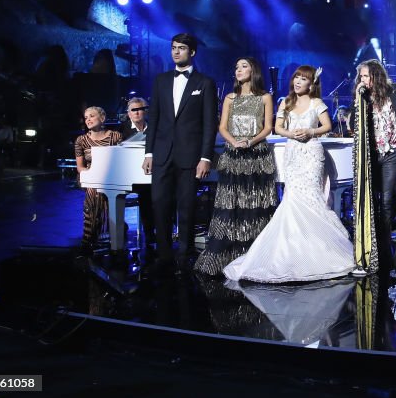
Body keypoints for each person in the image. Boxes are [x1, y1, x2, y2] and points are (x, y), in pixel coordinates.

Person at [224, 66, 355, 283]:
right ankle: (293, 249)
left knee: (313, 199)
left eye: (303, 79)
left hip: (312, 154)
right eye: (296, 78)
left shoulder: (317, 103)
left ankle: (322, 250)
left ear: (311, 84)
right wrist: (291, 133)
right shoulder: (286, 102)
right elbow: (277, 127)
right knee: (292, 199)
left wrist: (310, 131)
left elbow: (327, 126)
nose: (298, 82)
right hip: (293, 153)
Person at [142, 33, 218, 273]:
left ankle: (184, 254)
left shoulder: (204, 82)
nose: (176, 52)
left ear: (192, 52)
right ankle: (164, 255)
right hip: (162, 154)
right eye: (173, 48)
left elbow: (209, 123)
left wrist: (205, 157)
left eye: (181, 48)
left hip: (190, 155)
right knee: (159, 203)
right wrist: (149, 153)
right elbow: (153, 118)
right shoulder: (161, 80)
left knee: (186, 206)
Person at [194, 57, 277, 275]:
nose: (238, 70)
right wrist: (234, 142)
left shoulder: (265, 97)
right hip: (233, 155)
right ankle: (231, 255)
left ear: (253, 70)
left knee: (256, 205)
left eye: (243, 66)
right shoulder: (230, 98)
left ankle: (256, 255)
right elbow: (222, 127)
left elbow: (268, 127)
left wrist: (250, 141)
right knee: (232, 205)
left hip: (257, 155)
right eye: (236, 66)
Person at [352, 59, 396, 274]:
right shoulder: (363, 97)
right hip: (372, 155)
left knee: (386, 199)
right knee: (372, 200)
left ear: (376, 75)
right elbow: (354, 123)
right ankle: (374, 247)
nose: (363, 80)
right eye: (361, 77)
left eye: (366, 76)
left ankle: (385, 248)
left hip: (392, 152)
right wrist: (358, 99)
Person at [75, 106, 123, 250]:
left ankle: (89, 237)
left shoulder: (115, 136)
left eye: (92, 116)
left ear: (102, 118)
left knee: (97, 191)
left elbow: (120, 161)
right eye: (86, 117)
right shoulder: (81, 140)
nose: (88, 120)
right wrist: (93, 176)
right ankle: (99, 232)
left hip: (111, 177)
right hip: (88, 177)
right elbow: (80, 167)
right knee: (93, 189)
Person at [121, 97, 155, 247]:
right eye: (133, 110)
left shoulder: (154, 128)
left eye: (139, 109)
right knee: (142, 194)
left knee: (153, 194)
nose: (136, 113)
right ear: (128, 114)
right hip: (127, 175)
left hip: (151, 173)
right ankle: (121, 227)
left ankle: (153, 232)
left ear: (145, 111)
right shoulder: (121, 130)